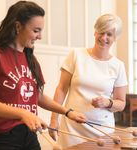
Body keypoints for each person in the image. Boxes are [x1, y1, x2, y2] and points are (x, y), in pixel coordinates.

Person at [0, 1, 87, 150]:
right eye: (36, 30)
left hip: (28, 133)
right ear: (18, 26)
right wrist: (23, 114)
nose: (39, 36)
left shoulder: (31, 59)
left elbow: (38, 97)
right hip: (0, 137)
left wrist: (67, 111)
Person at [49, 14, 128, 148]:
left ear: (115, 38)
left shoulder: (118, 65)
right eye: (101, 32)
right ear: (95, 32)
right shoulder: (76, 55)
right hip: (72, 127)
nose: (104, 38)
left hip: (103, 129)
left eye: (109, 34)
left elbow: (121, 103)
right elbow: (61, 88)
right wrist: (54, 119)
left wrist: (108, 103)